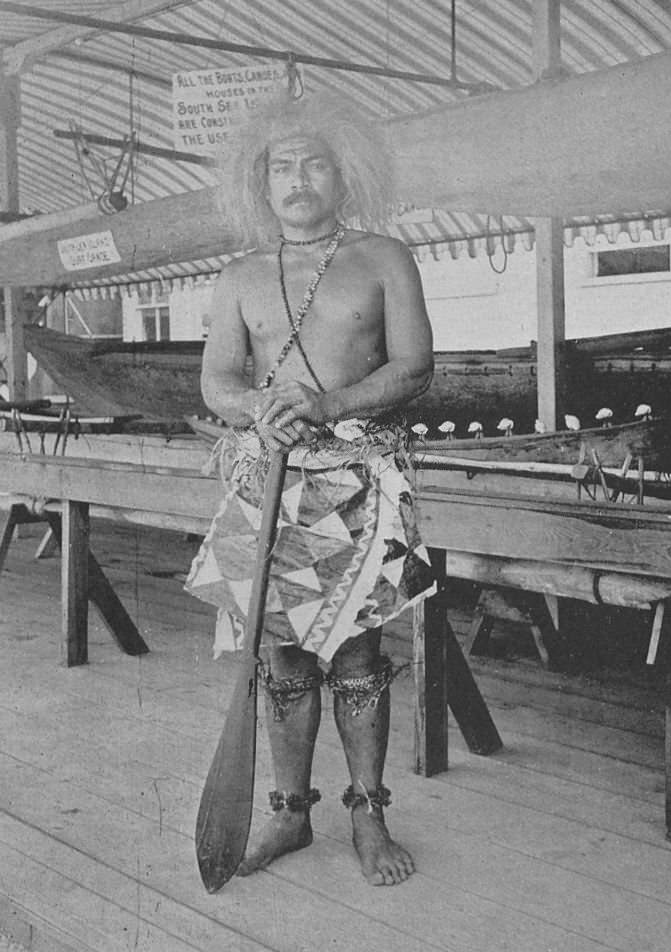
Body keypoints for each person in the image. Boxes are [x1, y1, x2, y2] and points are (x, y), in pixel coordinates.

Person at [186, 90, 435, 886]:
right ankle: (289, 813)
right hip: (272, 482)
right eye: (281, 166)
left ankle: (368, 811)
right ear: (260, 183)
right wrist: (261, 410)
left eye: (314, 162)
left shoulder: (383, 257)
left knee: (358, 649)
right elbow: (218, 381)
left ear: (344, 172)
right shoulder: (239, 275)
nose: (297, 179)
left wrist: (327, 405)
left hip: (363, 479)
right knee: (283, 654)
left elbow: (414, 368)